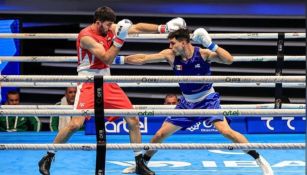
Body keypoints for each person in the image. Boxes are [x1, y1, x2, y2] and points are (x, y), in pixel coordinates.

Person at [38, 6, 186, 175]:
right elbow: (107, 58)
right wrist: (120, 39)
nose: (110, 28)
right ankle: (48, 156)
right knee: (75, 124)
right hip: (88, 81)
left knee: (133, 120)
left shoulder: (109, 28)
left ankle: (139, 163)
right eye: (107, 25)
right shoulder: (86, 37)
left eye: (111, 25)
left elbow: (137, 27)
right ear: (98, 22)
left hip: (107, 80)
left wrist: (163, 28)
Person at [122, 28, 274, 175]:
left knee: (226, 132)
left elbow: (229, 60)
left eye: (173, 43)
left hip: (208, 100)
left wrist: (211, 44)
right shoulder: (170, 55)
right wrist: (119, 59)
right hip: (186, 103)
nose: (170, 46)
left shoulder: (203, 53)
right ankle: (141, 164)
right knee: (160, 135)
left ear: (183, 42)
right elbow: (143, 59)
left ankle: (260, 159)